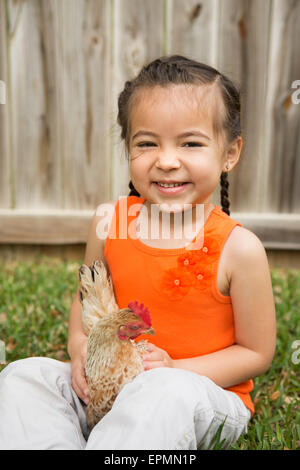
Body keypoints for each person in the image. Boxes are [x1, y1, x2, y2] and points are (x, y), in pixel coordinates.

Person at [0, 55, 276, 450]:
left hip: (199, 395)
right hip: (110, 391)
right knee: (24, 377)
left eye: (191, 143)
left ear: (230, 153)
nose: (166, 161)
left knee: (161, 393)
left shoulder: (239, 249)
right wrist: (81, 352)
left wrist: (175, 368)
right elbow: (86, 305)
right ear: (128, 147)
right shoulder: (107, 223)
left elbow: (255, 353)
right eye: (147, 143)